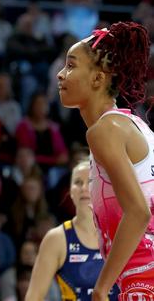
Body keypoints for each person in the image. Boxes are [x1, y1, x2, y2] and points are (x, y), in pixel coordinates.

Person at [56, 22, 154, 300]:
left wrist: (100, 289)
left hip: (143, 276)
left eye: (71, 66)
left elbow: (138, 212)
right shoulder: (134, 124)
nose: (61, 75)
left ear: (98, 79)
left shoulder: (104, 131)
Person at [25, 160, 119, 301]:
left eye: (90, 181)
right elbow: (33, 297)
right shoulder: (56, 238)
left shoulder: (122, 234)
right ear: (70, 191)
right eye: (78, 183)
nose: (83, 188)